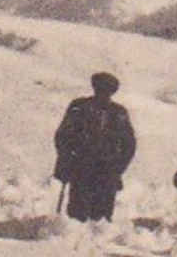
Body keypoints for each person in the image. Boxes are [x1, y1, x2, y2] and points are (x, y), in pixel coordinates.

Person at [53, 72, 137, 222]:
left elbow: (129, 145)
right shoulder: (79, 107)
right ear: (94, 88)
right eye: (100, 90)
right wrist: (68, 160)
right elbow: (62, 136)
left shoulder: (118, 113)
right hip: (81, 169)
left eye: (107, 91)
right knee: (77, 218)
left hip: (106, 173)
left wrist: (118, 168)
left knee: (101, 221)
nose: (102, 95)